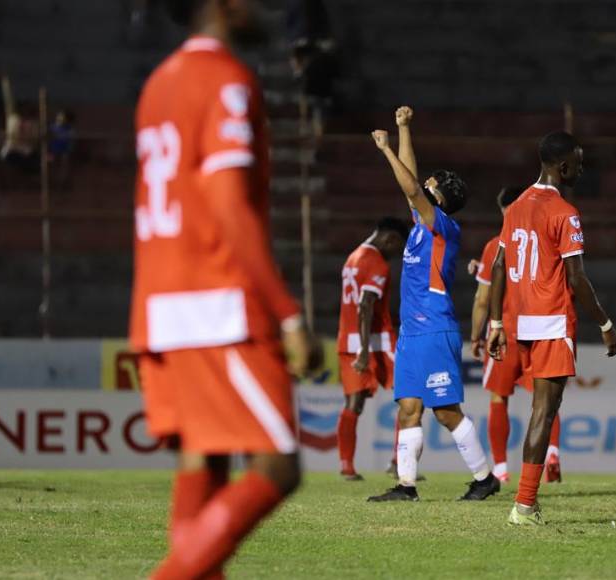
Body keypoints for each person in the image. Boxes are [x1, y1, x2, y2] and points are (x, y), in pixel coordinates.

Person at [131, 1, 321, 578]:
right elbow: (227, 203)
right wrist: (287, 315)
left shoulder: (158, 83)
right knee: (278, 465)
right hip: (218, 303)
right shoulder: (227, 80)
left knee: (205, 460)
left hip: (161, 303)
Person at [487, 131, 616, 525]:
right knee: (543, 412)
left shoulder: (514, 207)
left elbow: (499, 267)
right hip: (551, 320)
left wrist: (497, 322)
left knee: (539, 410)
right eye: (579, 163)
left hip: (522, 322)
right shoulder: (565, 212)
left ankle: (526, 503)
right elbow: (577, 279)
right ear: (563, 166)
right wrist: (607, 324)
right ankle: (525, 505)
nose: (581, 169)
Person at [366, 106, 499, 503]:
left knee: (444, 411)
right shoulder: (424, 220)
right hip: (412, 331)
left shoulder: (442, 225)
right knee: (408, 408)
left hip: (435, 329)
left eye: (429, 184)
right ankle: (406, 487)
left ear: (437, 196)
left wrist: (386, 149)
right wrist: (404, 129)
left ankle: (484, 477)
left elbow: (410, 187)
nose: (422, 185)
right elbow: (412, 185)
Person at [470, 186, 563, 484]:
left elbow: (483, 299)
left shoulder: (496, 245)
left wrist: (476, 335)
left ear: (503, 211)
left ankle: (500, 468)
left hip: (505, 332)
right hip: (539, 328)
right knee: (544, 396)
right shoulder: (546, 239)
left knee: (499, 399)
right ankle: (552, 452)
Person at [336, 217, 409, 481]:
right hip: (376, 340)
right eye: (398, 248)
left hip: (347, 338)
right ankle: (397, 462)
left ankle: (346, 466)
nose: (397, 255)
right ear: (390, 240)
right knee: (408, 394)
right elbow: (366, 305)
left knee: (353, 404)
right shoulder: (376, 261)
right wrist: (366, 350)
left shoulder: (353, 257)